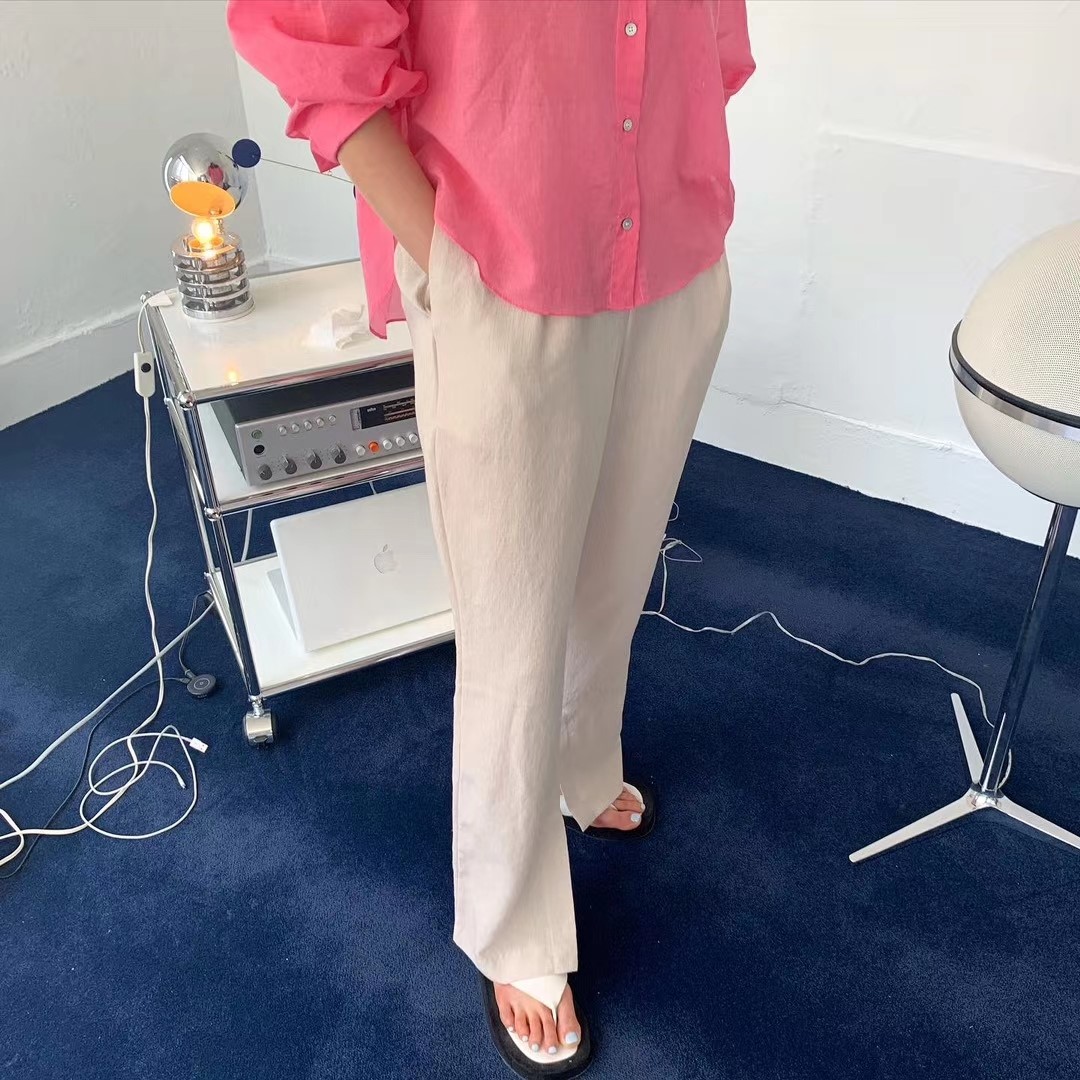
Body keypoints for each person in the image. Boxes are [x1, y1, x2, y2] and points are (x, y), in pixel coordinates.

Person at [228, 2, 754, 1074]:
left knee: (618, 564)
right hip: (501, 260)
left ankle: (582, 767)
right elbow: (317, 39)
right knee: (512, 607)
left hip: (671, 242)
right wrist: (443, 256)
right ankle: (512, 920)